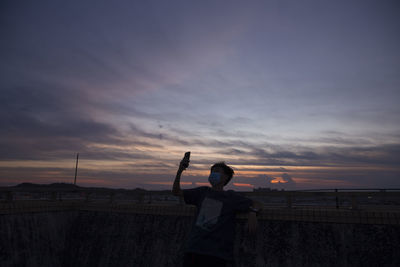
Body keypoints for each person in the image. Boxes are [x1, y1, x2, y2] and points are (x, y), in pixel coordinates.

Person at [172, 156, 263, 267]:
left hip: (217, 254)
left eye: (217, 171)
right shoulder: (202, 192)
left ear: (226, 177)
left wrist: (253, 213)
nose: (213, 174)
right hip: (194, 250)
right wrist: (180, 170)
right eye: (212, 172)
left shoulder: (231, 197)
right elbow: (176, 192)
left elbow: (257, 204)